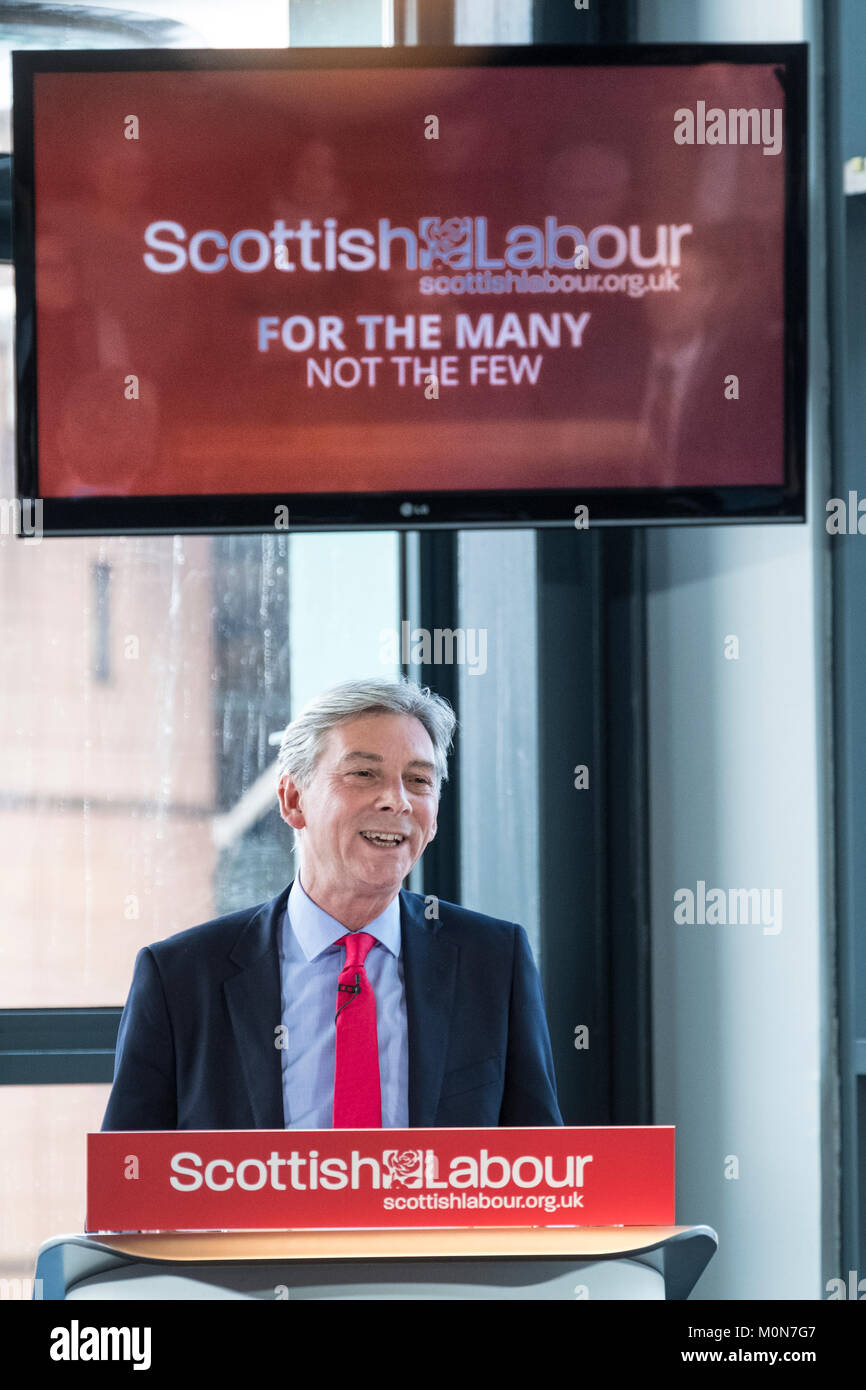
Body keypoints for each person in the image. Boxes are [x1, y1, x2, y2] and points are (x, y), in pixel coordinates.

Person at [101, 677, 562, 1131]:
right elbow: (128, 1186)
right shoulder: (181, 976)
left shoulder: (494, 962)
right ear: (293, 799)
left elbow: (545, 1176)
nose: (396, 801)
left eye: (418, 780)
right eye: (364, 773)